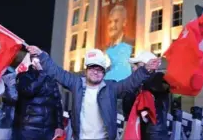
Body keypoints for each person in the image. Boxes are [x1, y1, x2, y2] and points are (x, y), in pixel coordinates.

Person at [26, 46, 161, 140]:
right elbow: (57, 72)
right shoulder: (76, 83)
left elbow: (130, 83)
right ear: (86, 70)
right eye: (92, 68)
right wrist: (42, 55)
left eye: (100, 69)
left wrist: (145, 70)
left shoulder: (111, 88)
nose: (96, 72)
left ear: (104, 72)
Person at [13, 56, 64, 140]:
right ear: (33, 61)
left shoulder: (51, 79)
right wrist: (41, 74)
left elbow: (57, 103)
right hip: (28, 129)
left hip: (48, 130)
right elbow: (28, 91)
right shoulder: (23, 76)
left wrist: (59, 126)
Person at [128, 51, 170, 140]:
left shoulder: (157, 79)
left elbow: (156, 83)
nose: (134, 69)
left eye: (136, 65)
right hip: (142, 132)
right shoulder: (138, 85)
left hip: (155, 135)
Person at [104, 5, 135, 81]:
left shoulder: (132, 43)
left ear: (124, 22)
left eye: (116, 21)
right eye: (110, 22)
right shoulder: (105, 48)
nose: (112, 25)